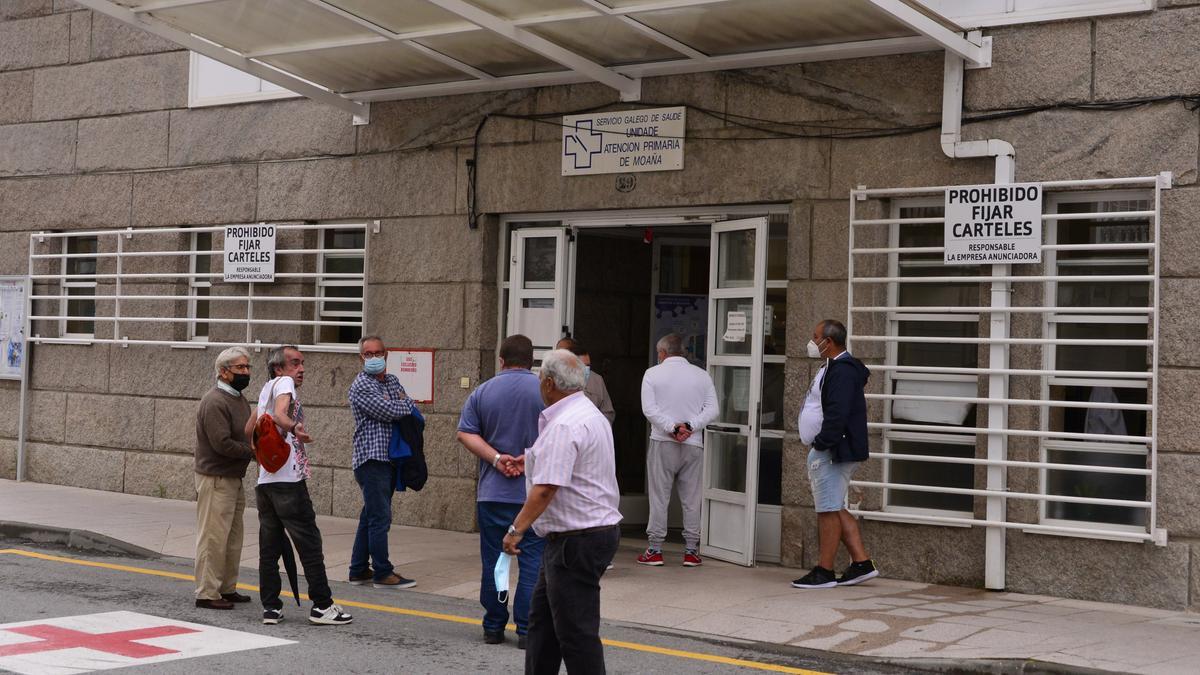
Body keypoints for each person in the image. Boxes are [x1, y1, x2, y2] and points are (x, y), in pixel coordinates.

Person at [502, 349, 621, 675]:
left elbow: (545, 489)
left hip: (576, 539)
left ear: (550, 383)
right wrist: (534, 459)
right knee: (543, 623)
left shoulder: (565, 424)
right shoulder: (588, 413)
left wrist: (516, 529)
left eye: (541, 377)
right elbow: (577, 466)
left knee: (575, 632)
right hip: (583, 535)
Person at [456, 334, 546, 649]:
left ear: (501, 360)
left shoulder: (483, 392)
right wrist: (528, 459)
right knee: (533, 559)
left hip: (493, 493)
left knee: (496, 560)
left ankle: (494, 625)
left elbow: (465, 433)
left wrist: (496, 459)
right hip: (532, 495)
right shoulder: (545, 392)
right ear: (533, 361)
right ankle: (526, 629)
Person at [255, 345, 353, 625]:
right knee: (309, 543)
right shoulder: (283, 384)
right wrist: (292, 426)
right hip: (288, 481)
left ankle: (271, 607)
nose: (301, 369)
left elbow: (251, 428)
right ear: (279, 368)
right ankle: (322, 606)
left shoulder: (265, 389)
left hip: (266, 481)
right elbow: (279, 413)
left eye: (302, 363)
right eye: (294, 363)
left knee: (269, 547)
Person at [791, 319, 879, 589]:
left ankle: (824, 571)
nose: (811, 340)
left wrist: (822, 443)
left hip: (832, 450)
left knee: (827, 510)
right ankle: (861, 563)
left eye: (815, 336)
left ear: (827, 342)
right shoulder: (834, 367)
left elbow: (837, 413)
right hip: (832, 449)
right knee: (835, 506)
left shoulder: (841, 371)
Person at [637, 333, 719, 567]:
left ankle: (655, 549)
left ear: (662, 352)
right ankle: (692, 550)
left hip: (662, 441)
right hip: (693, 443)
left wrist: (672, 428)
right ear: (683, 352)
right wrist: (690, 426)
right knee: (692, 498)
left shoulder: (652, 374)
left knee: (659, 497)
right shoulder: (701, 375)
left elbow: (649, 409)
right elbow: (713, 410)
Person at [348, 335, 418, 590]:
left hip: (388, 459)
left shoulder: (392, 380)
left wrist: (400, 403)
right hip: (371, 459)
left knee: (369, 516)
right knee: (380, 518)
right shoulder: (361, 386)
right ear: (361, 357)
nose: (375, 358)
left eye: (379, 353)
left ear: (386, 354)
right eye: (369, 354)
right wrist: (398, 404)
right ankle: (382, 572)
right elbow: (390, 411)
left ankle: (358, 570)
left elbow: (408, 405)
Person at [193, 346, 256, 610]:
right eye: (240, 368)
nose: (246, 372)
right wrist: (253, 452)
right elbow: (221, 444)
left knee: (232, 537)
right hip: (216, 477)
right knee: (213, 538)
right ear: (223, 372)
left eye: (247, 367)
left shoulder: (239, 399)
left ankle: (226, 588)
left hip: (232, 476)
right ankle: (207, 593)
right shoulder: (215, 401)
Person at [555, 337, 614, 425]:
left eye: (587, 365)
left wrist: (597, 427)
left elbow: (608, 413)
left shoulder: (597, 380)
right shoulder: (552, 381)